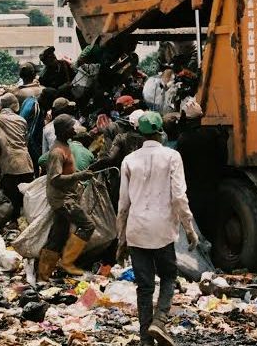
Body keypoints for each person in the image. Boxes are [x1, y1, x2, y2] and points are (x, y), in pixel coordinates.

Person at [116, 111, 198, 346]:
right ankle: (159, 321)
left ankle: (145, 339)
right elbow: (179, 197)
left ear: (140, 134)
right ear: (160, 132)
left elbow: (123, 205)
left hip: (136, 229)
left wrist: (120, 239)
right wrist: (189, 228)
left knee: (144, 286)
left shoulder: (129, 160)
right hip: (162, 230)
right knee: (169, 276)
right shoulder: (172, 156)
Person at [38, 114, 96, 281]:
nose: (74, 129)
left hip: (63, 197)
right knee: (87, 225)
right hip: (63, 200)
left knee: (58, 235)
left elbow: (66, 173)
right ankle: (67, 263)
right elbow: (55, 179)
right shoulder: (57, 151)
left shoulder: (65, 145)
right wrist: (79, 176)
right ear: (63, 131)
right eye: (71, 127)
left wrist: (78, 174)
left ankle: (43, 276)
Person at [174, 99, 226, 239]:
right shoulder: (214, 134)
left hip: (193, 189)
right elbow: (222, 157)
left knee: (199, 224)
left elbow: (180, 166)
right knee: (213, 223)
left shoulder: (184, 139)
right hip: (213, 185)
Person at [0, 93, 34, 220]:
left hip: (10, 165)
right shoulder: (22, 120)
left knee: (12, 200)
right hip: (26, 162)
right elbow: (25, 141)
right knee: (26, 199)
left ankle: (13, 223)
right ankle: (25, 223)